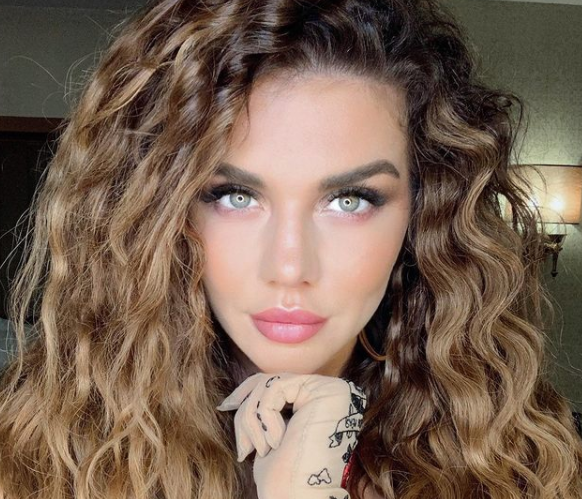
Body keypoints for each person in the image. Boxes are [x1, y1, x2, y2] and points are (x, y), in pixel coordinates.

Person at [0, 0, 580, 497]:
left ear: (423, 214)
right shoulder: (38, 460)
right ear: (158, 213)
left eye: (349, 200)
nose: (289, 267)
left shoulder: (518, 469)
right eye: (234, 196)